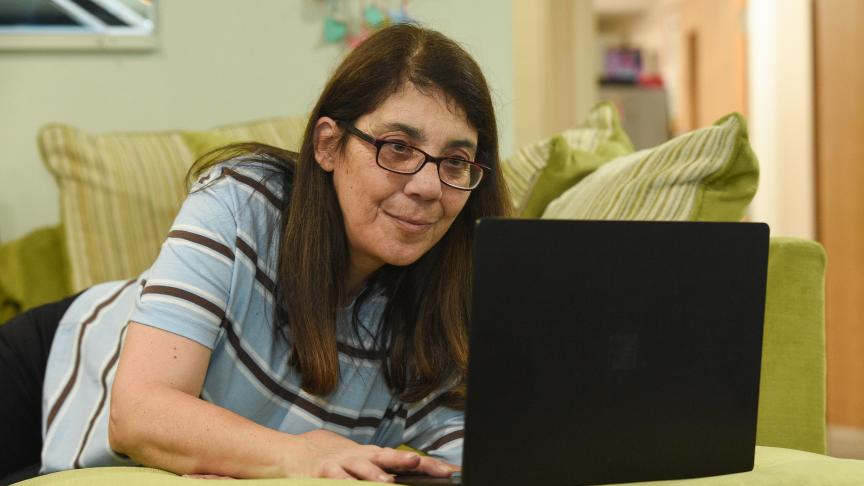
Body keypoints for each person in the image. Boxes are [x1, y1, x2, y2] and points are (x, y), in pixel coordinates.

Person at [0, 23, 511, 484]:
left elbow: (479, 458)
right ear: (328, 145)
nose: (428, 187)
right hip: (56, 368)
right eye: (397, 147)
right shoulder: (243, 201)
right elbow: (140, 413)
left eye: (455, 161)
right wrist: (301, 455)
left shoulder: (443, 301)